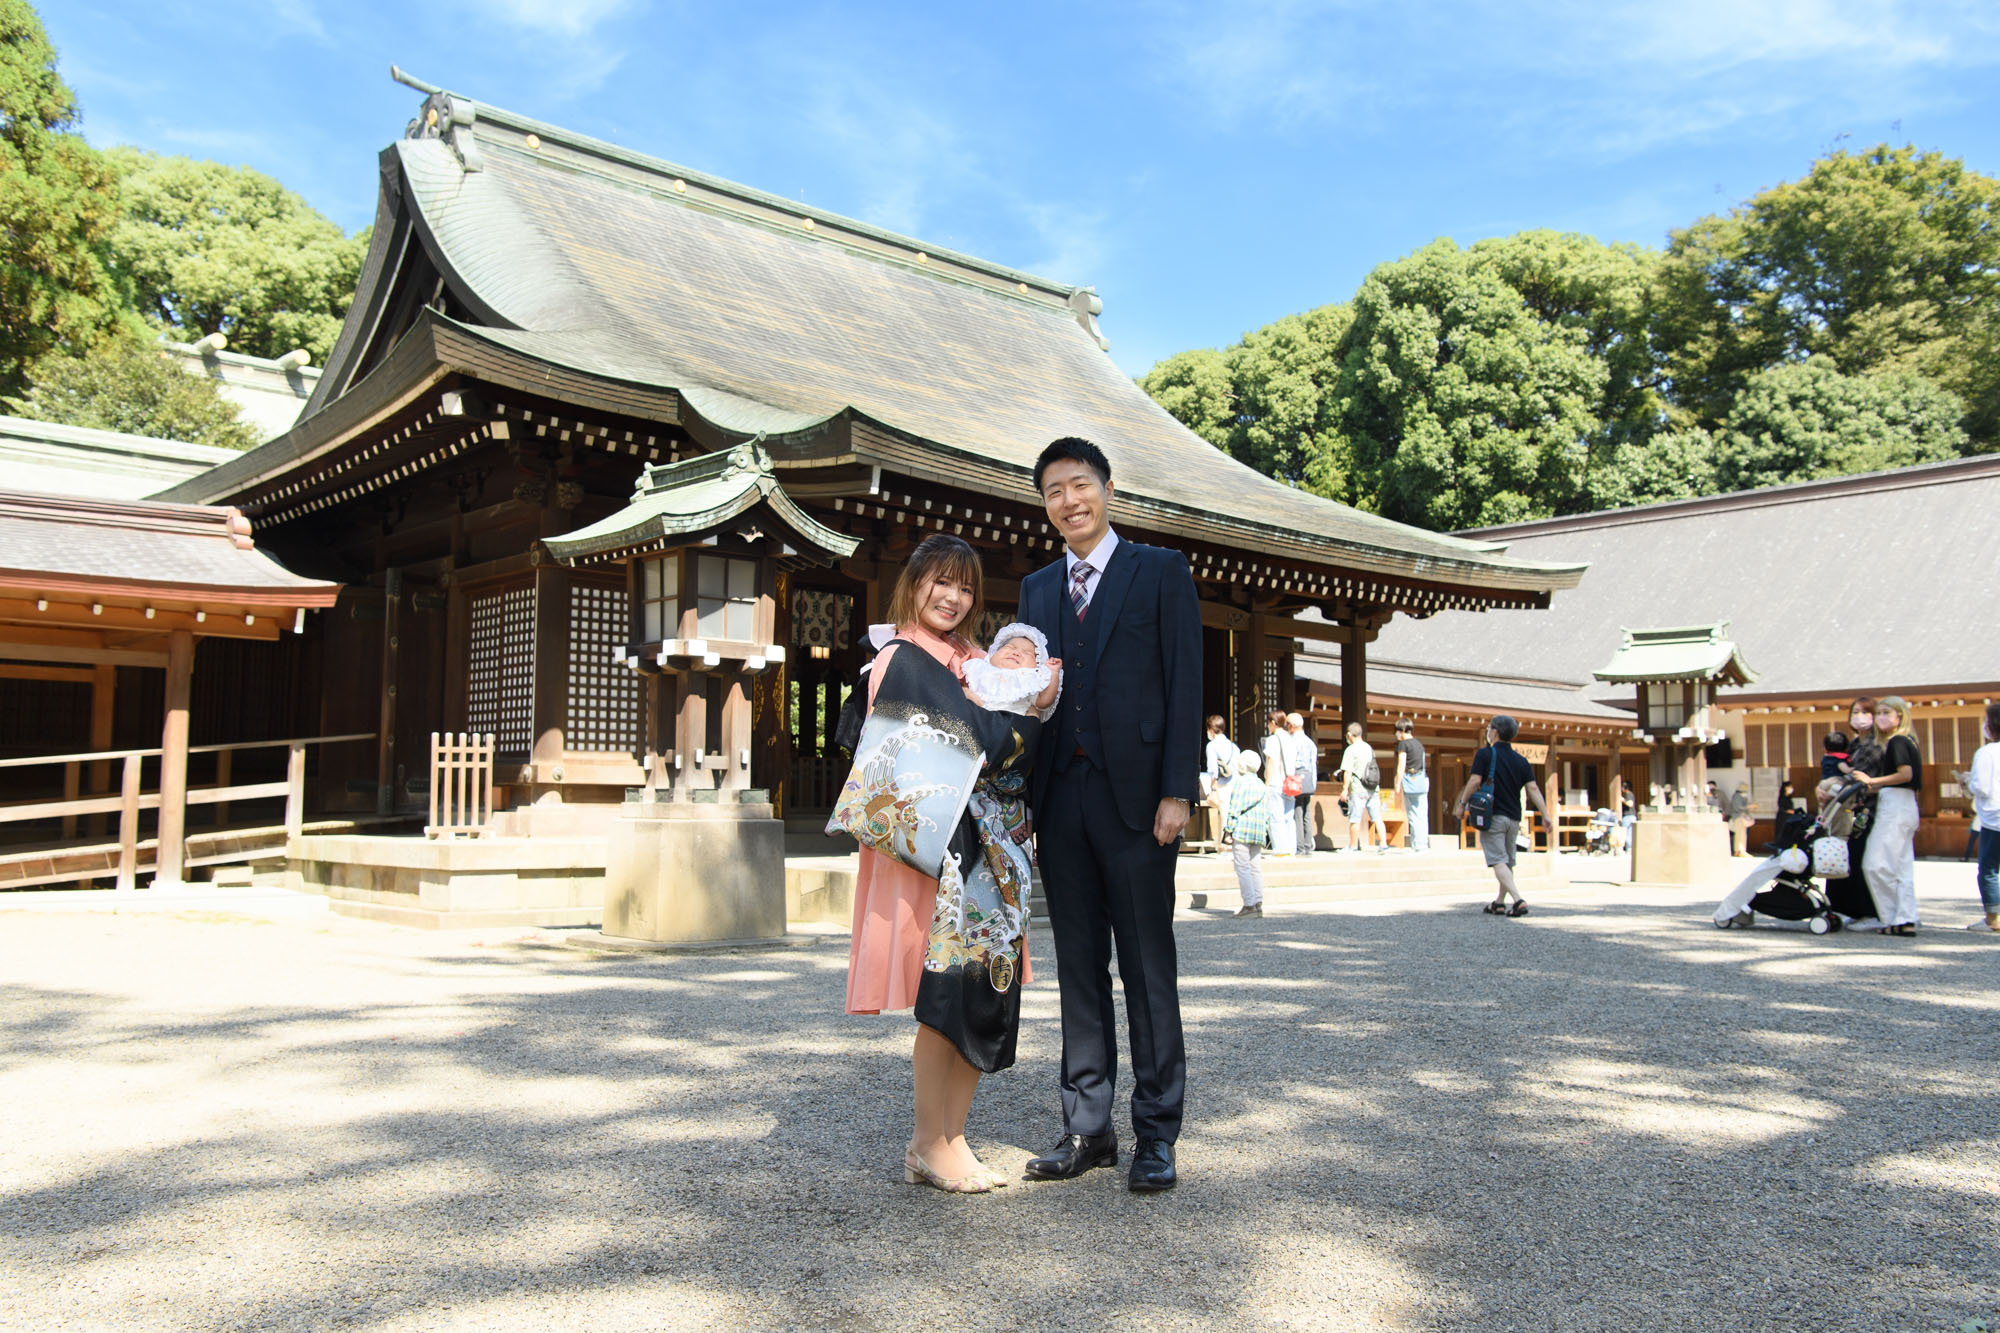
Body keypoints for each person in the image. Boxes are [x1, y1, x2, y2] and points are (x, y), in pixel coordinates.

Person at [842, 536, 1057, 1194]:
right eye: (941, 581)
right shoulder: (903, 658)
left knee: (979, 987)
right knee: (945, 994)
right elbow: (984, 742)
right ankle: (929, 1140)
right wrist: (1028, 711)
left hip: (989, 854)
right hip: (940, 851)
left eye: (965, 587)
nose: (953, 597)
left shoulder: (977, 660)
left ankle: (953, 1136)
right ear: (913, 582)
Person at [1020, 436, 1199, 1194]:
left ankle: (1156, 1131)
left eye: (1080, 483)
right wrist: (1023, 798)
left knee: (1147, 966)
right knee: (1078, 968)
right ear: (1046, 505)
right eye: (1055, 490)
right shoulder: (1035, 590)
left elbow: (1185, 682)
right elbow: (1026, 700)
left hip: (1138, 802)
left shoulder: (1159, 571)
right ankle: (1088, 1125)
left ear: (1109, 489)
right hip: (1062, 797)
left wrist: (1178, 789)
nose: (1070, 500)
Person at [1452, 714, 1551, 917]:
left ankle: (1518, 900)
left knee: (1497, 860)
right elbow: (1532, 788)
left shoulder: (1485, 755)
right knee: (1506, 861)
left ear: (1494, 732)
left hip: (1493, 816)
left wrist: (1462, 804)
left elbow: (1474, 781)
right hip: (1514, 817)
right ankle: (1499, 902)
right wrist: (1546, 814)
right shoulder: (1521, 760)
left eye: (1489, 728)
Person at [1852, 695, 1923, 935]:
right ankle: (1905, 918)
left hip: (1895, 807)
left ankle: (1892, 916)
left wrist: (1871, 781)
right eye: (1879, 713)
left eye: (1886, 713)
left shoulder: (1897, 742)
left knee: (1874, 864)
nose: (1880, 718)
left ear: (1899, 716)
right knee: (1902, 867)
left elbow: (1905, 774)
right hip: (1907, 806)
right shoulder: (1909, 741)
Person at [1823, 698, 1883, 922]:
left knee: (1859, 859)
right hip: (1845, 809)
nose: (1859, 716)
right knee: (1841, 855)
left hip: (1865, 810)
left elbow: (1858, 777)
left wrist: (1831, 786)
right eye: (1855, 712)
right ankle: (1841, 908)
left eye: (1865, 712)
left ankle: (1865, 911)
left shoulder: (1876, 745)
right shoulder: (1853, 745)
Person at [1220, 750, 1271, 918]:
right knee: (1255, 867)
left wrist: (1228, 830)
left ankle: (1248, 904)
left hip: (1242, 830)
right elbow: (1267, 811)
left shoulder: (1241, 783)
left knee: (1242, 867)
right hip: (1257, 831)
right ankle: (1258, 902)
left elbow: (1234, 808)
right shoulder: (1261, 784)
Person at [1967, 701, 2000, 933]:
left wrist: (1967, 782)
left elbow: (1982, 787)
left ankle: (1993, 918)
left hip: (1994, 819)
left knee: (1989, 869)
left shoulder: (1986, 753)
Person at [1337, 721, 1387, 853]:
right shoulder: (1369, 748)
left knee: (1355, 818)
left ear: (1349, 735)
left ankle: (1353, 846)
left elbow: (1347, 771)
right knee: (1377, 817)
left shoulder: (1350, 750)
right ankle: (1383, 843)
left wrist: (1345, 789)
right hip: (1372, 787)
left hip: (1358, 788)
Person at [1261, 710, 1297, 856]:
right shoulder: (1290, 738)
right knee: (1288, 817)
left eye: (1269, 723)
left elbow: (1271, 762)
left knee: (1275, 816)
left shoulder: (1273, 739)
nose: (1268, 726)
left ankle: (1281, 849)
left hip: (1276, 782)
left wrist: (1267, 783)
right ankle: (1290, 848)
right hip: (1290, 782)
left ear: (1273, 723)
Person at [1392, 718, 1429, 852]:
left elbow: (1401, 765)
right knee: (1422, 814)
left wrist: (1397, 783)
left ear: (1402, 730)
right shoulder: (1419, 744)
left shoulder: (1403, 744)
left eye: (1396, 731)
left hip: (1411, 782)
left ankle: (1417, 844)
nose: (1396, 734)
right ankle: (1423, 843)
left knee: (1413, 814)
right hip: (1422, 782)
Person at [1285, 711, 1318, 856]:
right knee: (1306, 813)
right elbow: (1314, 765)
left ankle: (1299, 847)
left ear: (1291, 726)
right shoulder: (1310, 743)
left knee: (1297, 812)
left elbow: (1290, 763)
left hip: (1296, 777)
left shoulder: (1292, 742)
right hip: (1309, 777)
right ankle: (1308, 845)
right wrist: (1313, 783)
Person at [1725, 782, 1754, 856]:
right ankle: (1739, 851)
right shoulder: (1737, 796)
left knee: (1742, 834)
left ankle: (1740, 850)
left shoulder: (1742, 797)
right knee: (1739, 834)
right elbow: (1738, 807)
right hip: (1738, 818)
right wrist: (1748, 807)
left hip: (1742, 817)